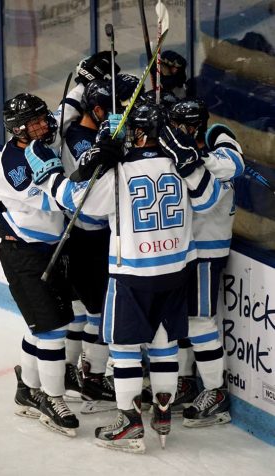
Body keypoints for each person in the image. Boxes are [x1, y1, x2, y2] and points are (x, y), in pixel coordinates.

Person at [24, 101, 232, 453]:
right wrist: (191, 162)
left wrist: (48, 178)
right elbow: (209, 197)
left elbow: (78, 203)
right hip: (175, 272)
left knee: (124, 350)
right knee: (165, 345)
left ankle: (130, 422)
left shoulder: (118, 172)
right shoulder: (178, 164)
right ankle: (163, 415)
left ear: (134, 133)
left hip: (132, 276)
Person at [0, 93, 80, 437]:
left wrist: (86, 76)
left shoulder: (42, 133)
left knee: (44, 326)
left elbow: (66, 108)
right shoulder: (15, 161)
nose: (43, 125)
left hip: (49, 251)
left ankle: (27, 389)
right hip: (23, 256)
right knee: (51, 331)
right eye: (34, 123)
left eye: (43, 119)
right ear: (18, 128)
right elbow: (52, 194)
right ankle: (51, 397)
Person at [166, 99, 245, 427]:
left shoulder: (220, 143)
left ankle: (216, 392)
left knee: (200, 322)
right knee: (180, 321)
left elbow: (229, 171)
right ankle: (186, 381)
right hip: (184, 251)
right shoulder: (183, 154)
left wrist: (196, 157)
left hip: (207, 253)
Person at [62, 79, 117, 414]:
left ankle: (72, 372)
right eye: (114, 108)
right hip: (86, 237)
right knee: (97, 310)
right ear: (96, 110)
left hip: (85, 237)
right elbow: (97, 173)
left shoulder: (78, 130)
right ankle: (94, 379)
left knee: (83, 309)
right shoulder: (80, 139)